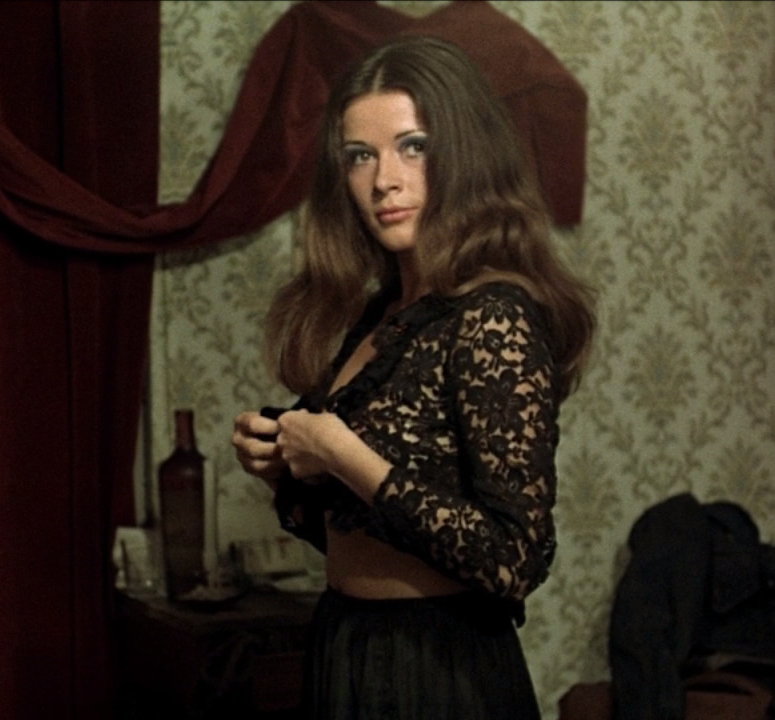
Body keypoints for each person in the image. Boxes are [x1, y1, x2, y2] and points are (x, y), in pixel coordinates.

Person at [231, 35, 596, 720]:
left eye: (413, 147)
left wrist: (340, 451)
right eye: (359, 156)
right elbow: (366, 536)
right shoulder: (381, 315)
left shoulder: (493, 315)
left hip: (440, 669)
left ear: (464, 152)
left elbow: (511, 560)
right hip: (344, 643)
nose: (384, 181)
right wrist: (284, 470)